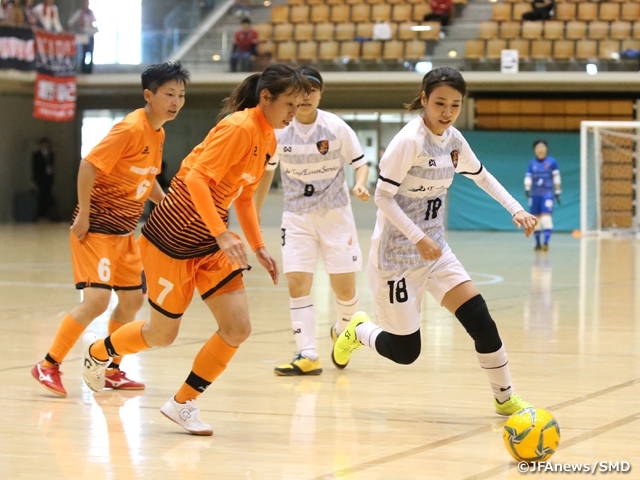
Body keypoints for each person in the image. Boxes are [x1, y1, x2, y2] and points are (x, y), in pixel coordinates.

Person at [81, 64, 309, 436]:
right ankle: (99, 353)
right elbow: (197, 180)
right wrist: (222, 234)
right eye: (289, 104)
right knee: (161, 335)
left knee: (237, 327)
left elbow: (246, 196)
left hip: (210, 241)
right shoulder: (238, 128)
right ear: (266, 97)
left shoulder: (269, 138)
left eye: (299, 106)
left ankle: (182, 402)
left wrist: (258, 245)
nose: (293, 113)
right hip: (170, 240)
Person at [332, 67, 538, 417]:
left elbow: (481, 176)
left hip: (436, 251)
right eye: (440, 103)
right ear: (424, 99)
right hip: (396, 255)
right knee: (405, 351)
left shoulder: (455, 141)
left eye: (455, 105)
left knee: (481, 319)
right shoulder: (409, 141)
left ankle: (505, 399)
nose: (446, 112)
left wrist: (516, 209)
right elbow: (383, 197)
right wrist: (417, 237)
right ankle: (357, 330)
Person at [31, 62, 189, 397]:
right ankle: (48, 364)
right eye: (169, 94)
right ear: (149, 96)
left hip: (124, 233)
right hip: (98, 228)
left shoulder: (158, 132)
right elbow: (88, 164)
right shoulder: (130, 128)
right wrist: (84, 213)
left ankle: (112, 368)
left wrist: (168, 205)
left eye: (181, 95)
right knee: (97, 301)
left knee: (132, 300)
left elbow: (148, 179)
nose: (176, 101)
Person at [254, 66, 370, 376]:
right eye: (300, 92)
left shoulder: (335, 127)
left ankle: (343, 334)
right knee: (297, 284)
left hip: (335, 218)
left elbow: (360, 164)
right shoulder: (280, 131)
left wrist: (360, 184)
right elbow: (266, 173)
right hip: (296, 218)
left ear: (320, 94)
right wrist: (255, 211)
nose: (305, 98)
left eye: (312, 91)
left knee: (344, 291)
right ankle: (307, 354)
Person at [524, 140, 561, 251]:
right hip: (535, 195)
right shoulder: (532, 163)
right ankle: (537, 243)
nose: (540, 149)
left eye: (542, 147)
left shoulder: (552, 162)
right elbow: (528, 177)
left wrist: (558, 192)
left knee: (546, 219)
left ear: (546, 149)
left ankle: (546, 243)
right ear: (535, 150)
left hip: (547, 194)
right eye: (538, 147)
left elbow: (556, 177)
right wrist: (527, 188)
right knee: (536, 221)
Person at [68, 0, 98, 74]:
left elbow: (95, 22)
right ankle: (83, 69)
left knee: (90, 52)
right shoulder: (80, 12)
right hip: (83, 35)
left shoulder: (91, 13)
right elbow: (71, 21)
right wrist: (73, 30)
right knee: (84, 52)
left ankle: (89, 69)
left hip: (90, 35)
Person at [31, 137, 56, 220]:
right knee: (41, 196)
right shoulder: (36, 155)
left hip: (48, 179)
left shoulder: (51, 154)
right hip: (40, 179)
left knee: (48, 196)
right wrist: (34, 180)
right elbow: (34, 168)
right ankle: (40, 215)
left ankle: (47, 215)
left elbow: (52, 167)